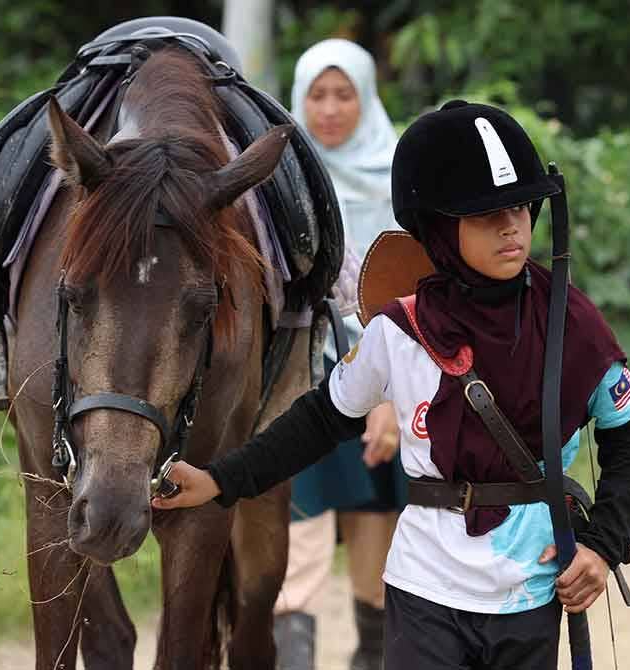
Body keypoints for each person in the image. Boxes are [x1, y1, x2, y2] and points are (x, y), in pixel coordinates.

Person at [153, 100, 630, 669]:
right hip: (424, 593)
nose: (511, 225)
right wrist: (221, 480)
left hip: (533, 590)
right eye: (485, 213)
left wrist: (604, 542)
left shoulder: (572, 320)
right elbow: (321, 419)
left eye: (520, 206)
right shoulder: (400, 331)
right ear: (440, 228)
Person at [272, 38, 405, 670]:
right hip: (303, 366)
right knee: (300, 511)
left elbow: (419, 288)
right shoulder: (281, 177)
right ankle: (292, 657)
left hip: (393, 368)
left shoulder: (401, 175)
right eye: (316, 95)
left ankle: (370, 657)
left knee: (373, 508)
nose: (328, 109)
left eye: (343, 93)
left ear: (366, 97)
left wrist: (394, 396)